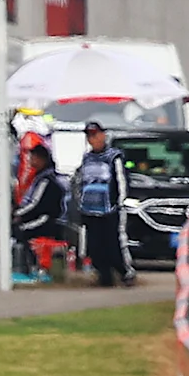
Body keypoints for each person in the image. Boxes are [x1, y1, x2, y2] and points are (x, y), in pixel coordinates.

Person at [69, 121, 135, 288]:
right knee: (95, 247)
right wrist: (80, 202)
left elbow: (121, 181)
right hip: (90, 211)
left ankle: (125, 272)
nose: (93, 139)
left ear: (103, 135)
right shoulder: (87, 158)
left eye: (95, 135)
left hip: (110, 210)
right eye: (89, 136)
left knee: (114, 244)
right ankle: (104, 276)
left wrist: (118, 203)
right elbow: (78, 182)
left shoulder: (114, 157)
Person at [10, 133, 73, 283]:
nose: (31, 160)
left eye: (35, 157)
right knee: (16, 230)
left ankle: (31, 269)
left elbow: (35, 205)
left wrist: (16, 214)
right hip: (40, 218)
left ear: (43, 159)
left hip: (48, 221)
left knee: (20, 231)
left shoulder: (47, 180)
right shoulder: (38, 178)